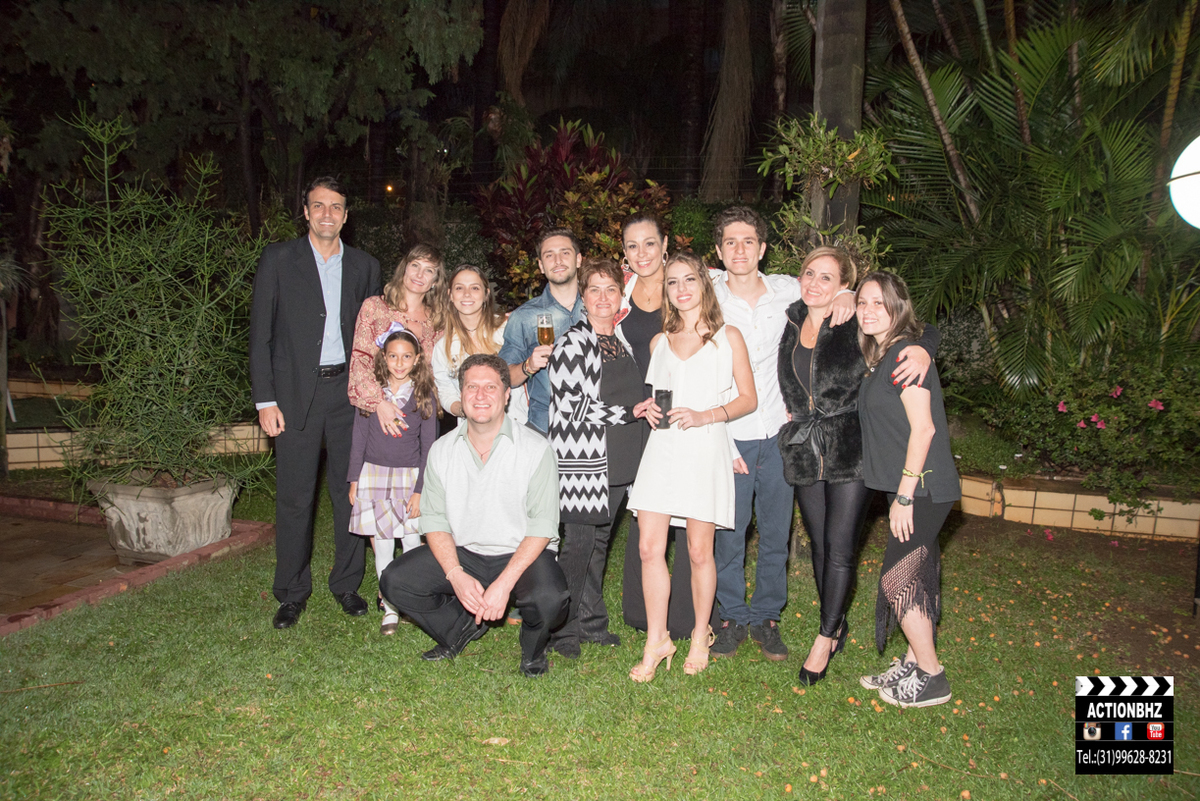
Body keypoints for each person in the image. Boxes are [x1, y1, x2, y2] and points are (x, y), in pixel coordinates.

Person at [777, 247, 937, 685]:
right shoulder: (789, 318)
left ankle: (824, 637)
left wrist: (923, 349)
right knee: (820, 545)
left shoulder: (852, 319)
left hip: (851, 446)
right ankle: (838, 622)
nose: (814, 283)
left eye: (827, 278)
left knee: (841, 546)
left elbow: (912, 327)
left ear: (843, 285)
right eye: (809, 273)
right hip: (805, 448)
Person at [380, 354, 570, 677]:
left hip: (520, 554)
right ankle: (460, 628)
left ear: (506, 395)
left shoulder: (536, 449)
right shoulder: (441, 450)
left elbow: (542, 527)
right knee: (394, 581)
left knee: (550, 598)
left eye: (490, 387)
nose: (480, 395)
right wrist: (456, 574)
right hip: (466, 552)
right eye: (472, 387)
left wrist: (503, 585)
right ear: (461, 394)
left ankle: (533, 650)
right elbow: (434, 520)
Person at [249, 176, 382, 629]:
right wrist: (266, 400)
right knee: (294, 497)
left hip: (348, 395)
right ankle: (291, 591)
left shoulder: (365, 266)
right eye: (319, 206)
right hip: (293, 396)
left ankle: (347, 583)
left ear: (346, 216)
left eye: (336, 206)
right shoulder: (278, 259)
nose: (328, 213)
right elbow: (260, 335)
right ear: (305, 212)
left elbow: (375, 335)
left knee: (350, 494)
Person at [626, 251, 757, 682]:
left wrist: (706, 416)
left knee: (699, 551)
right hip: (662, 450)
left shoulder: (728, 337)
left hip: (704, 447)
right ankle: (657, 639)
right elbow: (660, 396)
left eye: (689, 280)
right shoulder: (659, 342)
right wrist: (648, 408)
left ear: (704, 284)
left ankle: (701, 634)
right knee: (649, 548)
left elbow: (748, 399)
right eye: (672, 282)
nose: (681, 289)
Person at [854, 271, 960, 708]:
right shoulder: (888, 355)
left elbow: (924, 429)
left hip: (923, 489)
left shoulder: (904, 357)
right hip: (916, 487)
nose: (868, 311)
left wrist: (903, 496)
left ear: (897, 307)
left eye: (879, 303)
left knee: (897, 580)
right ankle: (915, 663)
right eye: (862, 302)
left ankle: (932, 675)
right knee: (915, 576)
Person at [615, 213, 715, 641]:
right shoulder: (619, 291)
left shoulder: (692, 281)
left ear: (665, 243)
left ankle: (690, 619)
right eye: (632, 245)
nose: (642, 253)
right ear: (624, 252)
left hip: (685, 415)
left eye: (650, 243)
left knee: (691, 516)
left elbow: (754, 282)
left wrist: (844, 291)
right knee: (646, 515)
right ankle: (644, 614)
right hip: (640, 414)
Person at [547, 258, 651, 658]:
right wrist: (627, 413)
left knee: (599, 543)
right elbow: (571, 405)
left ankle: (590, 623)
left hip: (620, 458)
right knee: (578, 546)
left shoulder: (620, 340)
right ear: (583, 297)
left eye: (611, 289)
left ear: (621, 295)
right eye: (595, 289)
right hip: (585, 461)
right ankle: (562, 631)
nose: (603, 297)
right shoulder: (573, 342)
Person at [347, 327, 439, 635]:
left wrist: (420, 490)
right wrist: (354, 479)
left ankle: (411, 601)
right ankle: (390, 607)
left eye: (406, 357)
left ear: (417, 360)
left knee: (411, 542)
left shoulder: (423, 395)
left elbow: (429, 446)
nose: (399, 363)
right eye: (393, 356)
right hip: (374, 476)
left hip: (409, 479)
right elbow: (359, 438)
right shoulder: (372, 396)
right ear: (383, 358)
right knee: (383, 544)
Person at [348, 244, 446, 438]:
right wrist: (379, 403)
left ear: (435, 281)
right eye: (415, 265)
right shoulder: (375, 308)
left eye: (429, 270)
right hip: (376, 412)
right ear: (404, 269)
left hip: (420, 415)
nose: (419, 274)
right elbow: (360, 360)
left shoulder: (439, 320)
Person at [499, 228, 586, 433]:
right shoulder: (524, 316)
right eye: (549, 255)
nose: (558, 260)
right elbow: (503, 376)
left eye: (565, 252)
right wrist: (528, 366)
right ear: (541, 266)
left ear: (578, 259)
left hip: (596, 425)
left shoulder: (601, 306)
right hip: (546, 428)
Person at [431, 263, 528, 426]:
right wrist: (467, 410)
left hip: (516, 425)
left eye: (475, 288)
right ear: (450, 295)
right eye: (459, 288)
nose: (467, 294)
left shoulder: (507, 329)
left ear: (486, 294)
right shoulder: (443, 347)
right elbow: (445, 392)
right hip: (473, 430)